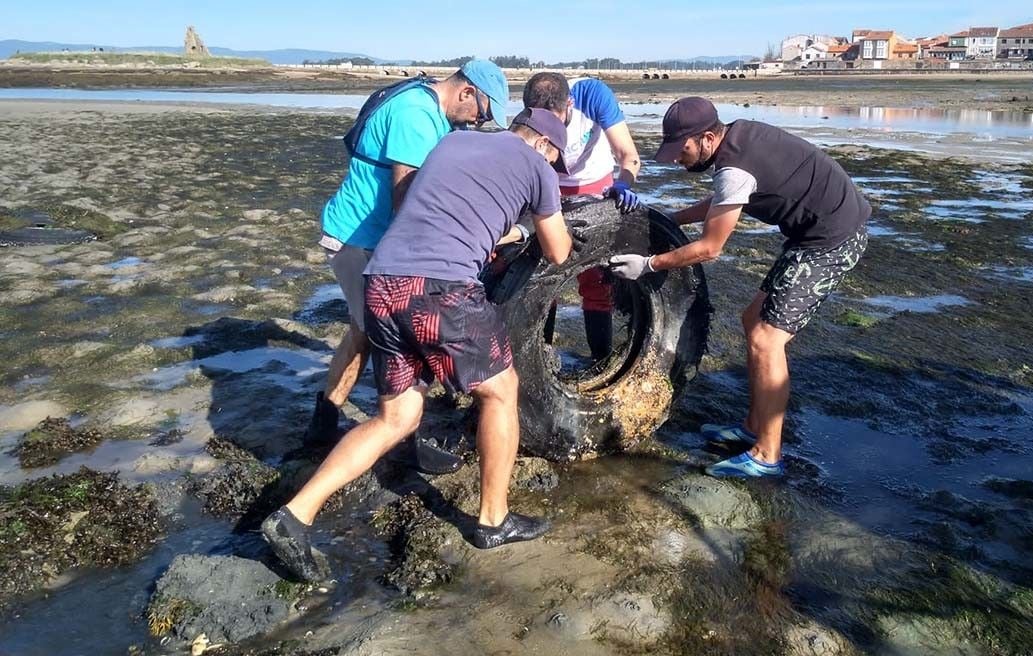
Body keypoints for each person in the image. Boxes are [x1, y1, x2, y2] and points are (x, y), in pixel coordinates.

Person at [262, 108, 575, 581]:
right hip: (440, 288)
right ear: (545, 147)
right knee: (501, 389)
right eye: (555, 160)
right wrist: (538, 219)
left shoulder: (452, 143)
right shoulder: (536, 168)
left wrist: (504, 230)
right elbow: (559, 252)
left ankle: (294, 515)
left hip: (383, 283)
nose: (552, 168)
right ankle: (493, 520)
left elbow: (443, 209)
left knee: (397, 417)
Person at [609, 97, 870, 478]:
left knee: (767, 339)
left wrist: (648, 264)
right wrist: (671, 218)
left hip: (832, 239)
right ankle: (753, 427)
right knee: (753, 321)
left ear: (708, 138)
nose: (677, 160)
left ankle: (768, 455)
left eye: (681, 150)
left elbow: (711, 248)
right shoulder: (737, 140)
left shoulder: (733, 167)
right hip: (811, 234)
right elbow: (725, 202)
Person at [306, 60, 510, 474]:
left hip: (369, 240)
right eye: (483, 114)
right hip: (359, 240)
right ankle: (398, 437)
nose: (479, 124)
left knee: (364, 331)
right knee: (392, 335)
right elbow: (407, 200)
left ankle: (323, 426)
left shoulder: (427, 109)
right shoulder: (415, 116)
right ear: (467, 92)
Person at [521, 72, 642, 360]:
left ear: (570, 105)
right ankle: (541, 357)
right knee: (543, 276)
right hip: (550, 188)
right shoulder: (529, 114)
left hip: (595, 185)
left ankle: (600, 359)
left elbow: (628, 154)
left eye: (556, 121)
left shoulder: (593, 95)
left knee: (598, 280)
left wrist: (624, 182)